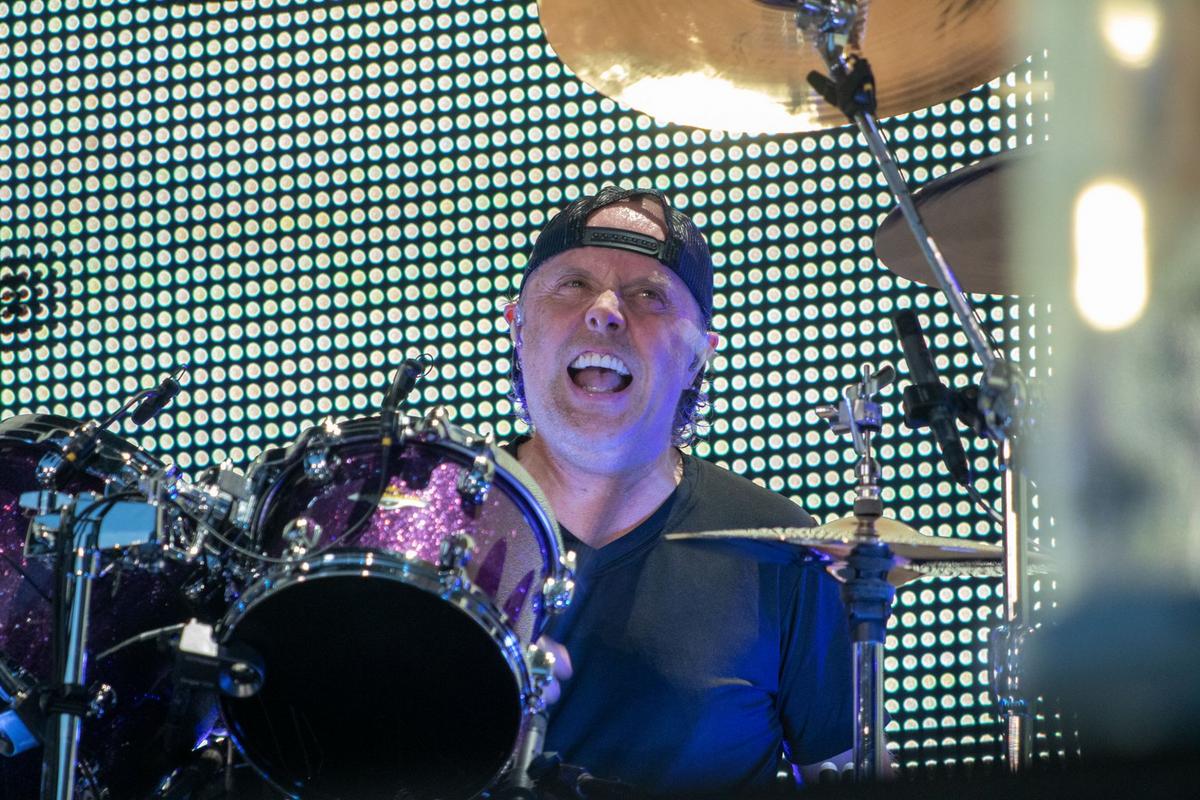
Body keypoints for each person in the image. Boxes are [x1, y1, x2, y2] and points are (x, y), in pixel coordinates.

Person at [501, 186, 855, 795]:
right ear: (518, 325)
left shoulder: (785, 552)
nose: (605, 311)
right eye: (574, 284)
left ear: (697, 359)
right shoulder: (436, 522)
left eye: (649, 295)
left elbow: (844, 771)